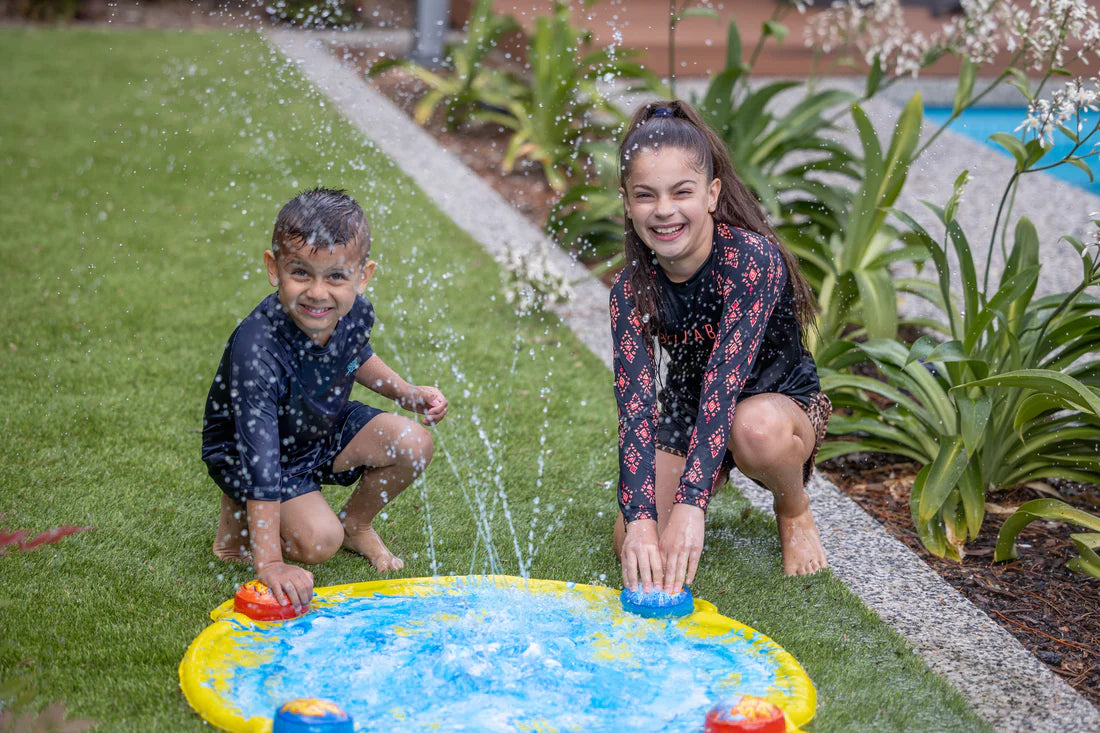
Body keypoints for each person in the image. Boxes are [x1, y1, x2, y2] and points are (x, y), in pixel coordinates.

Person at [610, 101, 831, 592]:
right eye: (646, 196)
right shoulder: (630, 290)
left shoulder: (753, 261)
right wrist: (643, 518)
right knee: (633, 540)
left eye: (681, 192)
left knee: (754, 429)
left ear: (711, 194)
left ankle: (792, 508)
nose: (664, 210)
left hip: (774, 404)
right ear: (627, 203)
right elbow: (636, 409)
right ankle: (704, 480)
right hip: (693, 411)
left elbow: (724, 387)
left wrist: (692, 505)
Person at [202, 188, 448, 611]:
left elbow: (355, 355)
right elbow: (261, 461)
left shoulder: (353, 312)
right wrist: (272, 563)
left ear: (362, 275)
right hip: (252, 451)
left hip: (319, 424)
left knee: (413, 443)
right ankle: (237, 520)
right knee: (318, 543)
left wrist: (407, 393)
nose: (318, 293)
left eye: (335, 276)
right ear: (273, 268)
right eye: (301, 273)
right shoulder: (257, 350)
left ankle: (356, 524)